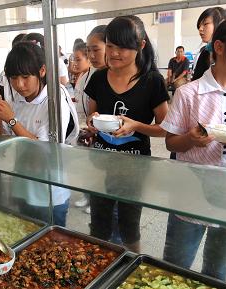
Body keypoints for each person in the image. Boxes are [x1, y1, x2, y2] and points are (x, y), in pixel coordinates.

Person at [162, 17, 226, 281]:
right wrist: (191, 139)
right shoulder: (188, 93)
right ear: (219, 47)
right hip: (190, 195)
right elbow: (170, 142)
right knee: (175, 266)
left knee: (217, 271)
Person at [85, 15, 169, 253]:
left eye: (123, 47)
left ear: (141, 46)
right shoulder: (99, 77)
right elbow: (92, 116)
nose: (114, 53)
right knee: (99, 223)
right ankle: (97, 267)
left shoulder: (152, 81)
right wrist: (92, 122)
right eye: (111, 46)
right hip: (101, 163)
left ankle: (132, 268)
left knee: (129, 225)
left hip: (135, 166)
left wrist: (135, 126)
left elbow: (165, 129)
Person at [0, 42, 79, 227]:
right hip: (22, 186)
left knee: (53, 246)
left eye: (25, 77)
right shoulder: (16, 98)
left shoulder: (55, 98)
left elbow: (44, 149)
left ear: (42, 71)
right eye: (13, 78)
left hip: (50, 192)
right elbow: (0, 141)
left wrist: (12, 120)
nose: (19, 85)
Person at [74, 25, 107, 214]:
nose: (92, 55)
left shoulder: (109, 76)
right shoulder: (89, 77)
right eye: (89, 51)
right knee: (90, 168)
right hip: (91, 130)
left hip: (113, 141)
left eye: (96, 50)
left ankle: (95, 201)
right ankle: (90, 199)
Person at [192, 7, 226, 81]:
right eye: (199, 26)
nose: (200, 29)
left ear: (221, 23)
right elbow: (197, 79)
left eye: (205, 24)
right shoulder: (205, 52)